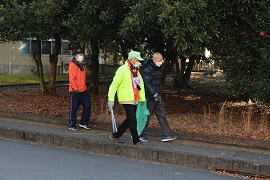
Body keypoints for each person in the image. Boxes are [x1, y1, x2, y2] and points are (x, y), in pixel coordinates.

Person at [108, 51, 145, 146]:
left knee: (130, 119)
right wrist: (111, 99)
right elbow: (114, 85)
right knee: (132, 119)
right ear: (132, 59)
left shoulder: (135, 70)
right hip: (126, 98)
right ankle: (136, 141)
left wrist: (141, 98)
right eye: (137, 59)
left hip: (134, 98)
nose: (139, 62)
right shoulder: (122, 70)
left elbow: (139, 85)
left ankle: (116, 135)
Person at [141, 52, 177, 142]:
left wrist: (158, 94)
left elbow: (157, 83)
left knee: (162, 114)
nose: (161, 62)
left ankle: (166, 134)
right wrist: (154, 94)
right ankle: (141, 133)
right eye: (160, 60)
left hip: (157, 96)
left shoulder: (157, 68)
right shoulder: (147, 69)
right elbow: (147, 83)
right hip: (149, 97)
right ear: (154, 59)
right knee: (146, 116)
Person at [68, 49, 91, 131]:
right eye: (80, 54)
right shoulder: (73, 65)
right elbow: (72, 79)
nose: (82, 56)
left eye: (82, 54)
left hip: (83, 89)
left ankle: (83, 122)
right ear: (75, 56)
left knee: (87, 106)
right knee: (74, 108)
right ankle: (72, 124)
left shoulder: (81, 65)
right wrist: (75, 89)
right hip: (76, 90)